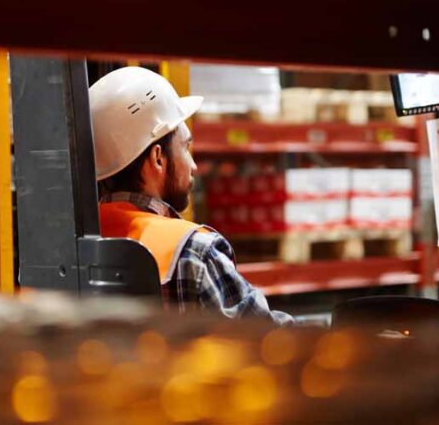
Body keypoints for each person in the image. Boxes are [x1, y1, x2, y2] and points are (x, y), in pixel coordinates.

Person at [89, 67, 293, 325]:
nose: (194, 166)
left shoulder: (77, 245)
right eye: (185, 147)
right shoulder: (194, 252)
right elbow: (266, 339)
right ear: (158, 158)